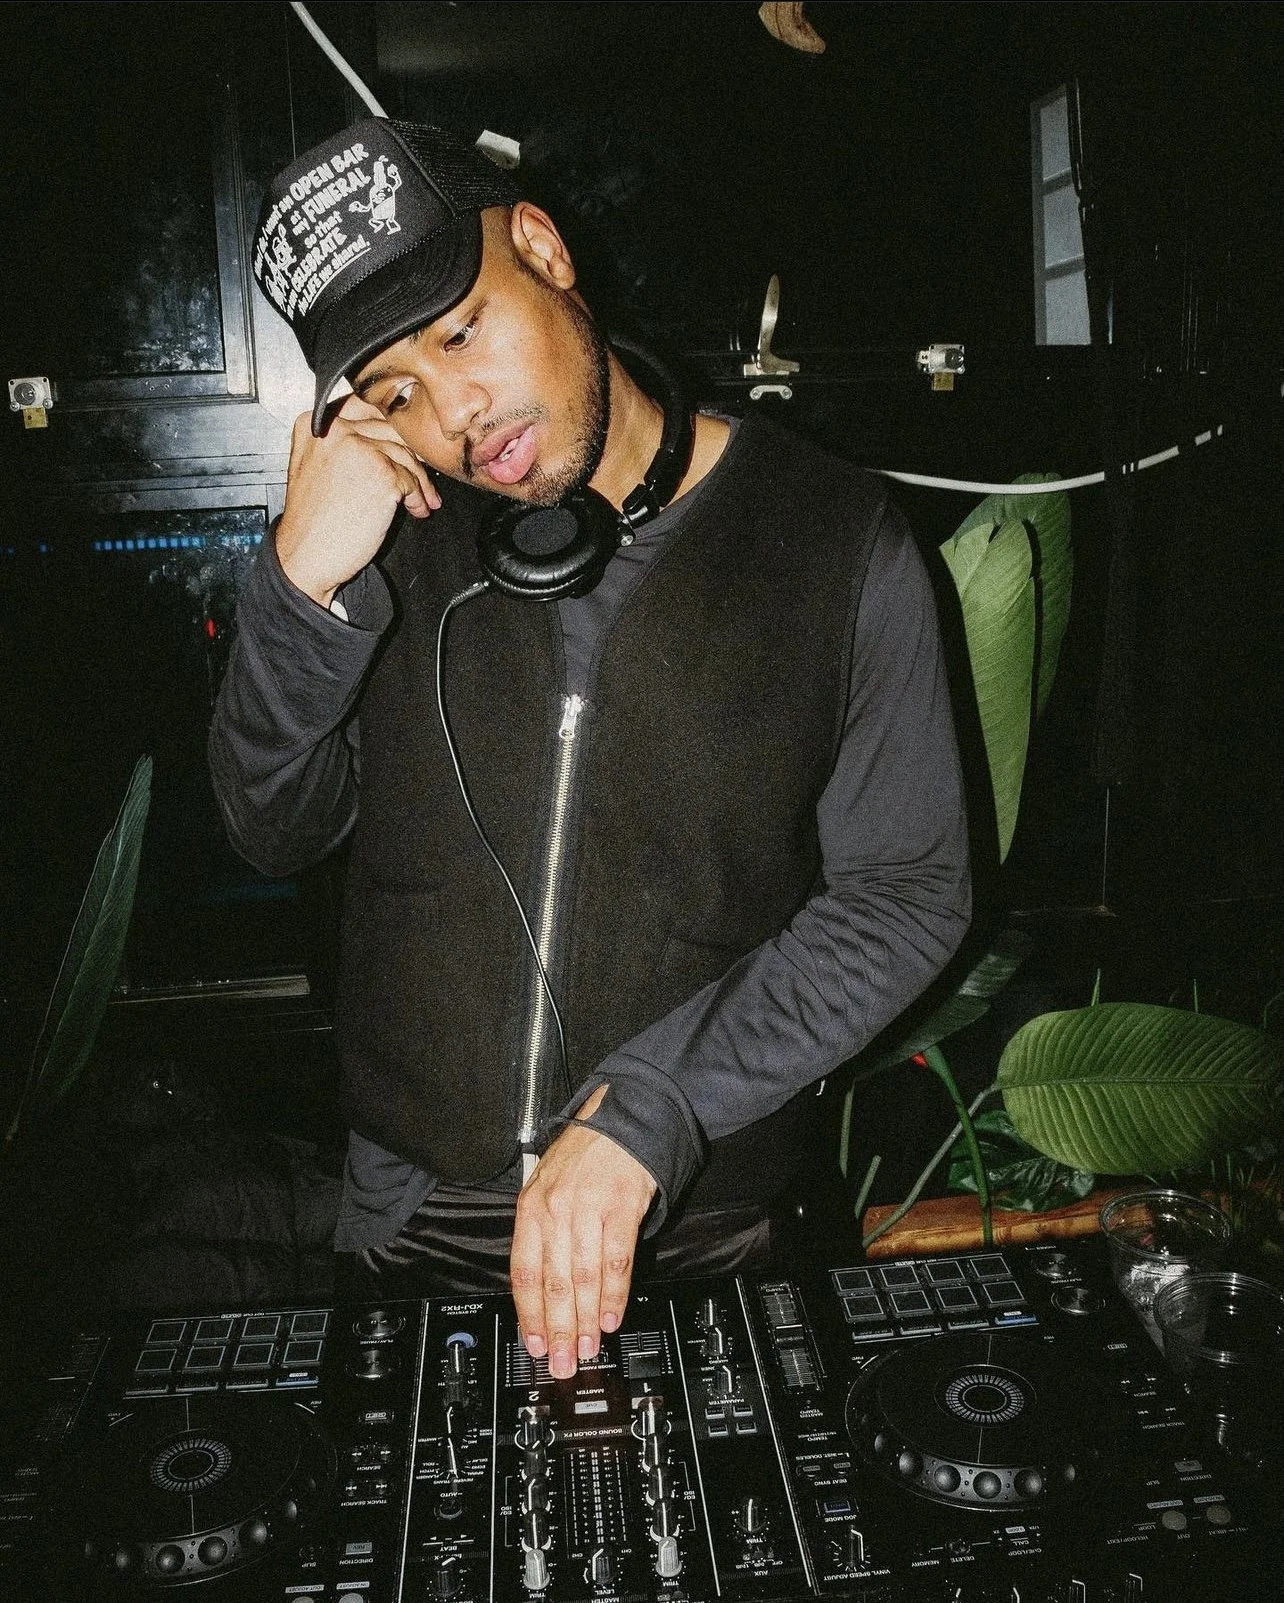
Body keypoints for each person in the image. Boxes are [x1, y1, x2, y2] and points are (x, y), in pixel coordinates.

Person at [210, 118, 970, 1380]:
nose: (454, 413)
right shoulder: (380, 539)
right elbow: (272, 827)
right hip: (413, 1219)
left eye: (461, 332)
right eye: (393, 390)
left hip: (708, 1220)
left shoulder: (836, 541)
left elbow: (907, 893)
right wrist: (299, 591)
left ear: (545, 249)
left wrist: (658, 1103)